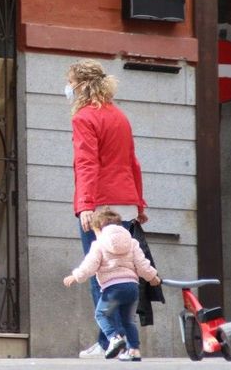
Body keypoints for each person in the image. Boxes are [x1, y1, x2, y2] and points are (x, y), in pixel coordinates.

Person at [65, 59, 149, 358]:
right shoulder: (120, 116)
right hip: (125, 201)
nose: (68, 88)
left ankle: (114, 340)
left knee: (101, 272)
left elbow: (87, 163)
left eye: (71, 83)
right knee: (124, 271)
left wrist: (86, 204)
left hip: (100, 202)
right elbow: (133, 162)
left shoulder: (84, 118)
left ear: (81, 86)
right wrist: (138, 203)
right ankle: (112, 341)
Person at [63, 209, 161, 362]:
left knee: (101, 314)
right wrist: (153, 277)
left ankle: (114, 338)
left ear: (98, 229)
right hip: (132, 287)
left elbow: (89, 266)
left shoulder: (99, 244)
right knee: (128, 320)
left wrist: (75, 276)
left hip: (113, 288)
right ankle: (134, 351)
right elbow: (142, 265)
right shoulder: (132, 242)